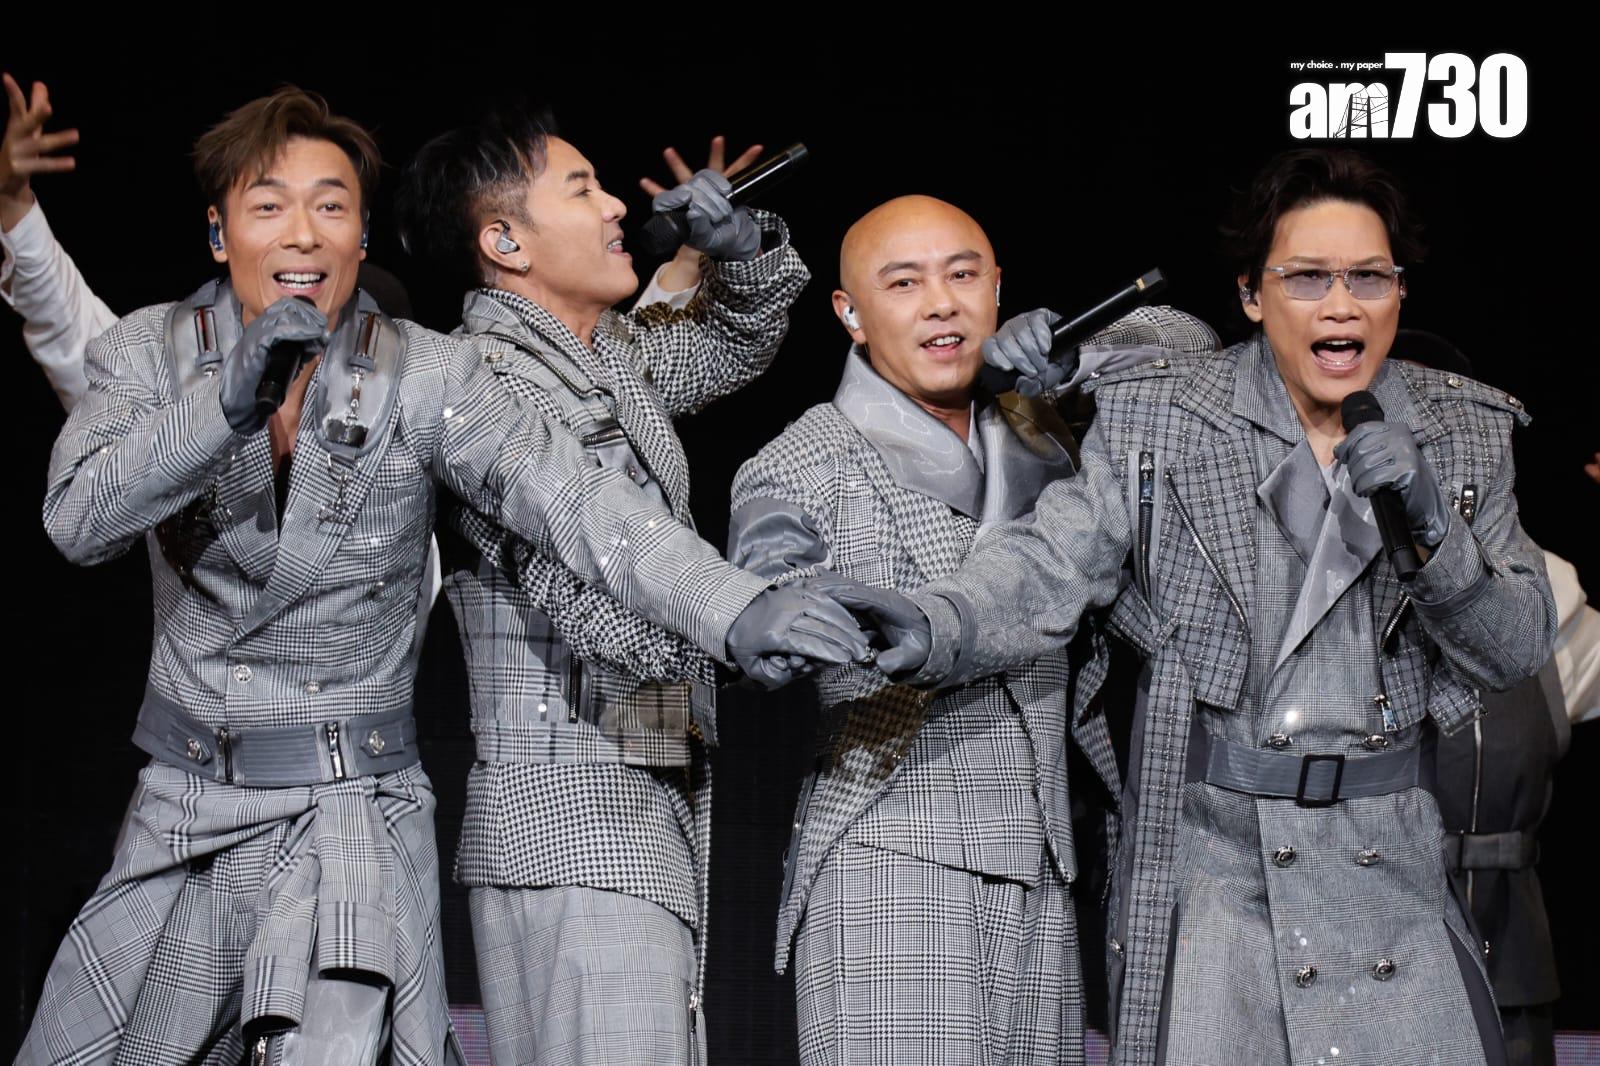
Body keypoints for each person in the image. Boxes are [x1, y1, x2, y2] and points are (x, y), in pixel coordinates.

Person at [21, 86, 865, 1065]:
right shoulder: (148, 353)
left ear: (360, 231)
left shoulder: (432, 375)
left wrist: (738, 608)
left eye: (330, 206)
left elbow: (580, 504)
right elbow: (77, 522)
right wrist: (225, 405)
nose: (302, 232)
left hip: (358, 806)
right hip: (198, 802)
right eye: (269, 206)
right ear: (219, 233)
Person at [836, 150, 1556, 1066]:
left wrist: (1432, 525)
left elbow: (1514, 647)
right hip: (1219, 880)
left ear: (1399, 292)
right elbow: (1048, 567)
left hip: (1394, 879)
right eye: (1307, 278)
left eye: (1369, 278)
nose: (1342, 305)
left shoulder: (1463, 432)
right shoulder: (1167, 417)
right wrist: (933, 624)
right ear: (1253, 295)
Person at [727, 194, 1215, 1064]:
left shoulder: (1042, 425)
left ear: (997, 291)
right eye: (904, 284)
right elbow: (769, 606)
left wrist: (1076, 356)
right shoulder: (801, 460)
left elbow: (1193, 354)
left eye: (961, 276)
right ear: (849, 314)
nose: (940, 304)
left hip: (1043, 862)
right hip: (890, 853)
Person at [394, 109, 807, 1065]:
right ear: (504, 241)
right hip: (566, 818)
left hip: (634, 798)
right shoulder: (489, 379)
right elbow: (595, 589)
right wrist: (751, 629)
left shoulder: (604, 353)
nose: (618, 205)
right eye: (582, 189)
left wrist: (737, 247)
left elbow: (732, 343)